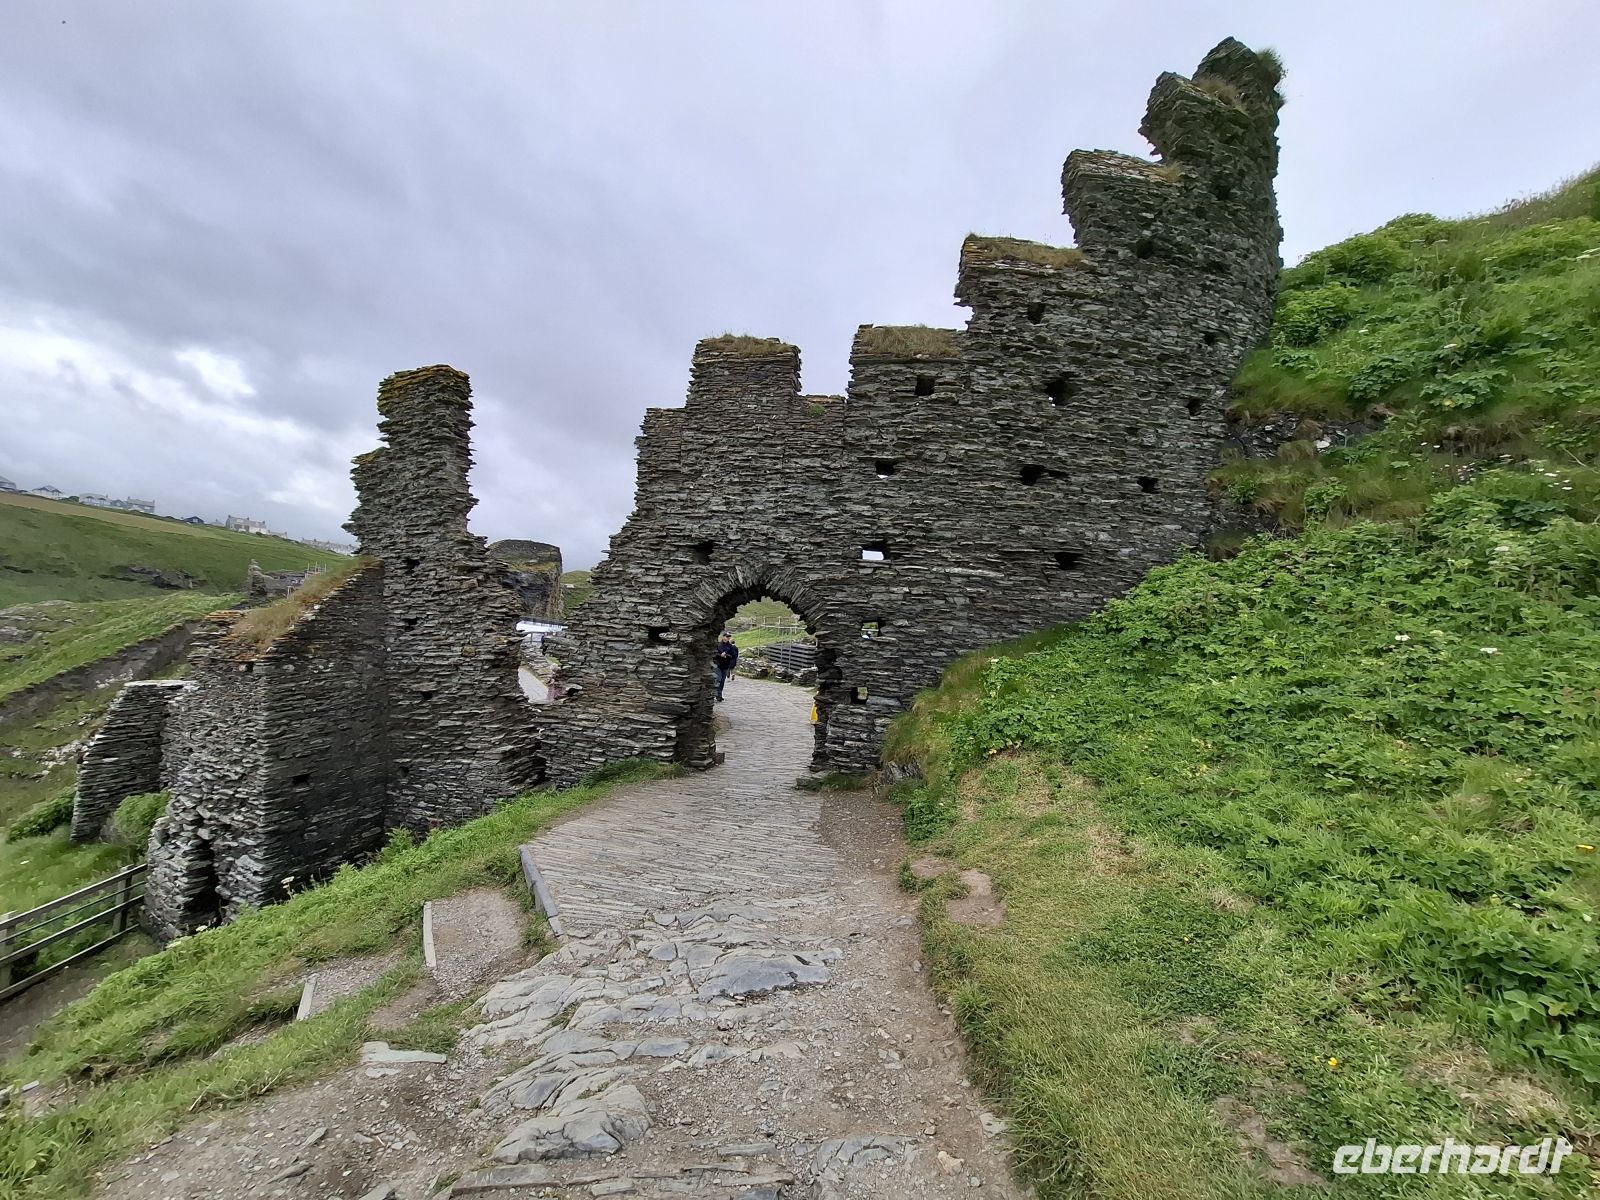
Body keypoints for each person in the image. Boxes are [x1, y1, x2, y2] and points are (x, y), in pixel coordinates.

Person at [713, 631, 739, 701]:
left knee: (722, 681)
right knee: (718, 679)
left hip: (725, 665)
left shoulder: (730, 646)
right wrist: (720, 655)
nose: (728, 638)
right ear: (723, 637)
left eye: (729, 637)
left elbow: (734, 655)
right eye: (726, 637)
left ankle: (719, 695)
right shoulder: (718, 645)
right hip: (718, 664)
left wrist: (726, 655)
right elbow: (714, 653)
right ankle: (714, 693)